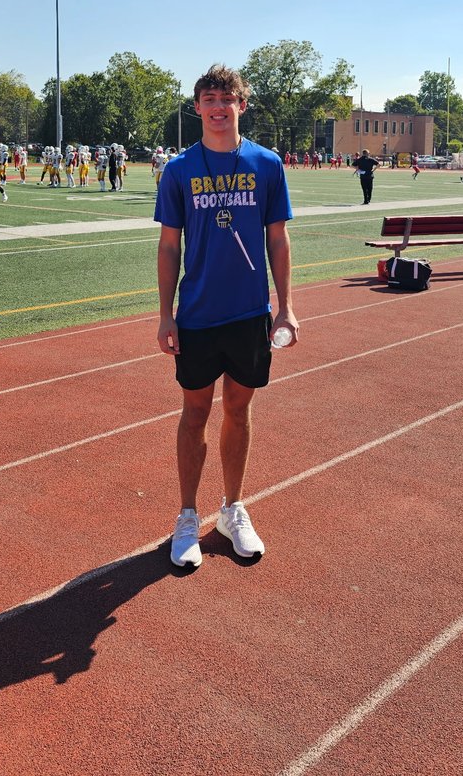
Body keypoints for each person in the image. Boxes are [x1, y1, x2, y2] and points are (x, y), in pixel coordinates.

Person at [155, 64, 297, 569]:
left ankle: (232, 509)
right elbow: (168, 246)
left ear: (242, 104)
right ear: (197, 107)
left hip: (248, 313)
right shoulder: (179, 170)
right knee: (195, 413)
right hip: (196, 314)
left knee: (239, 409)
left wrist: (285, 306)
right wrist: (165, 314)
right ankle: (187, 516)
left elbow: (277, 238)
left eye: (227, 98)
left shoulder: (267, 164)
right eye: (209, 99)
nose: (218, 107)